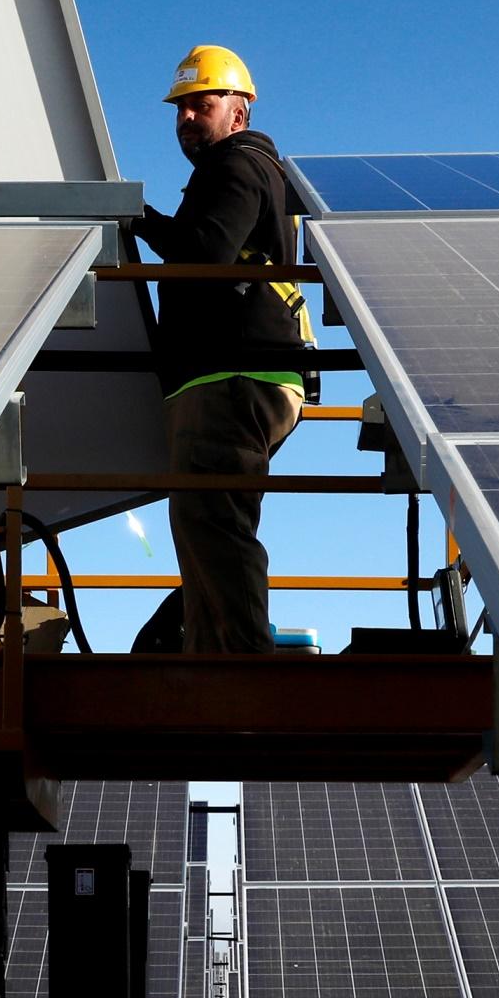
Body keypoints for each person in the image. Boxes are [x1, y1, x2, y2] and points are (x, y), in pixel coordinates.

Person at [129, 46, 315, 655]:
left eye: (201, 105)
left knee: (213, 524)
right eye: (180, 109)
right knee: (204, 524)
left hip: (232, 374)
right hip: (237, 374)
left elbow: (206, 251)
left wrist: (137, 219)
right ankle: (210, 665)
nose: (187, 119)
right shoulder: (248, 170)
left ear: (239, 110)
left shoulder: (236, 167)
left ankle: (243, 670)